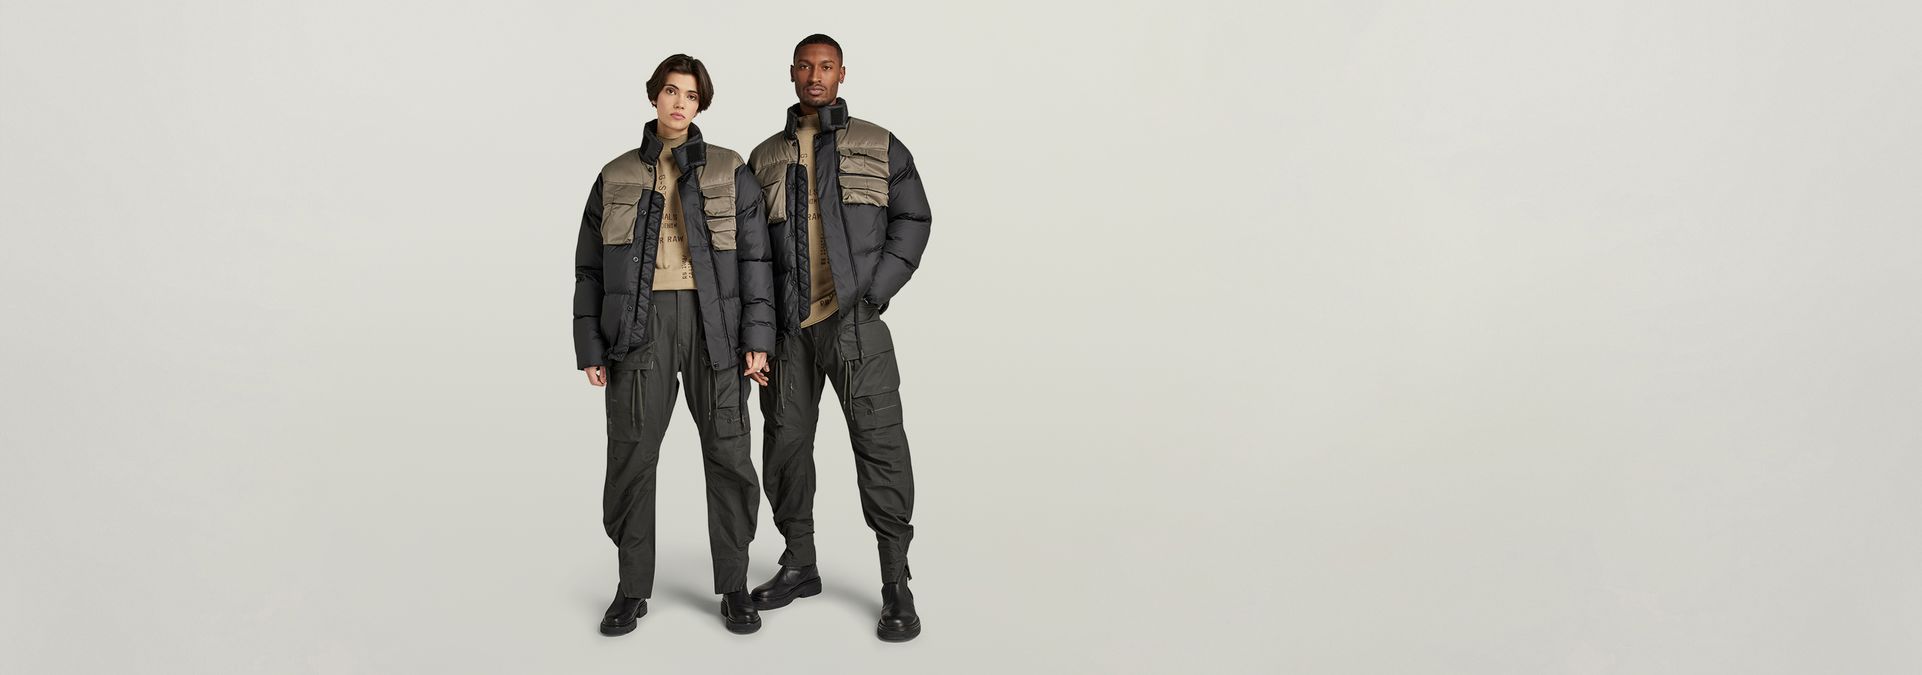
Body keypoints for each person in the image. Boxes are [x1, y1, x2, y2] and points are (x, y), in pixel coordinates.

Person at [571, 53, 776, 636]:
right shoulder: (615, 174)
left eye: (690, 94)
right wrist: (591, 345)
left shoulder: (730, 169)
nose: (679, 102)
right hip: (639, 328)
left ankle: (734, 586)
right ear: (654, 96)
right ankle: (631, 589)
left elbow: (757, 261)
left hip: (717, 326)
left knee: (730, 454)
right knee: (632, 454)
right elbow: (589, 267)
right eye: (670, 91)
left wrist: (758, 339)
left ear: (701, 103)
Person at [745, 34, 933, 642]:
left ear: (842, 73)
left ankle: (896, 582)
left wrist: (876, 291)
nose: (815, 76)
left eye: (826, 66)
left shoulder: (878, 144)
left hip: (857, 325)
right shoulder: (763, 158)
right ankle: (799, 563)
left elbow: (914, 217)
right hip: (788, 333)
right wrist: (758, 331)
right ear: (792, 73)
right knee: (785, 446)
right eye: (806, 66)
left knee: (881, 448)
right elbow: (750, 253)